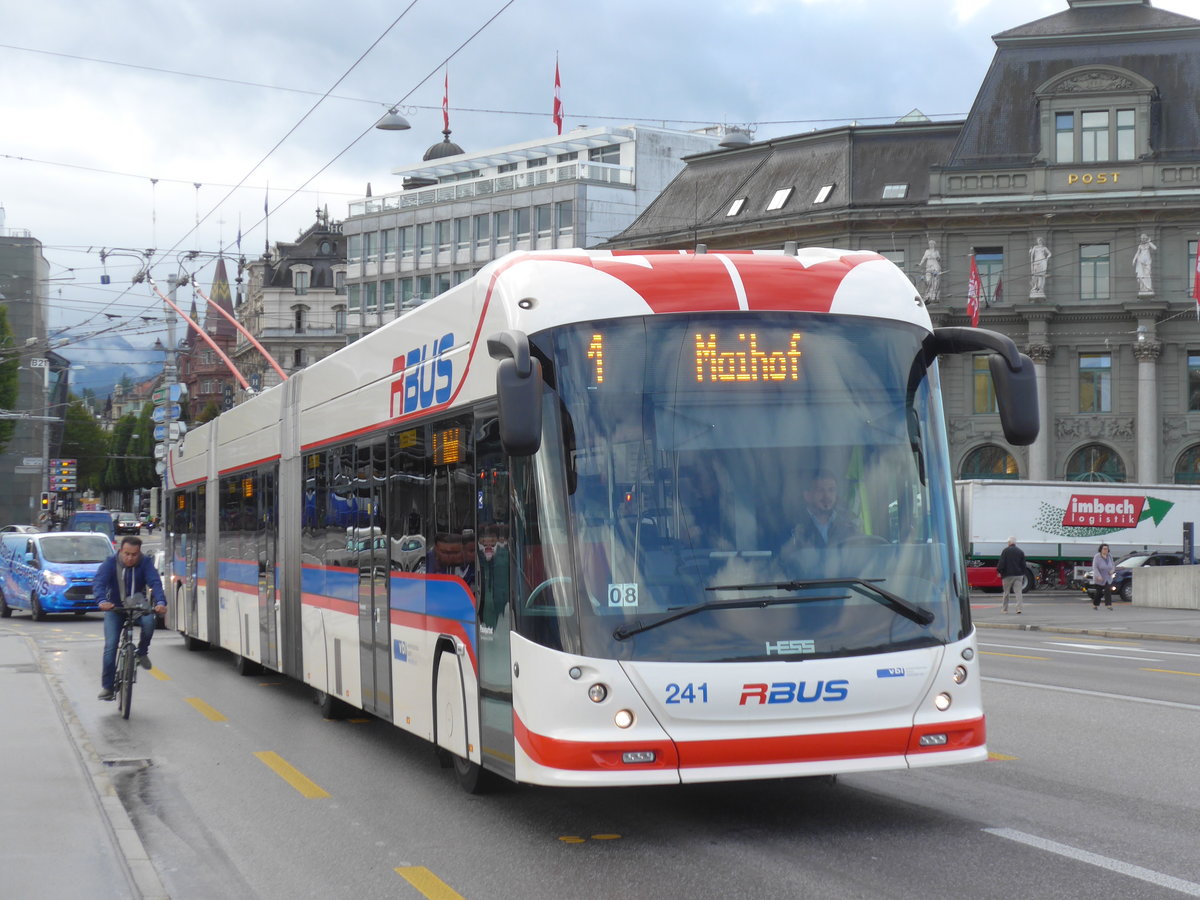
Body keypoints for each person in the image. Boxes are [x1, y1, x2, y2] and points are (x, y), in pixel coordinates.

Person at [95, 536, 167, 700]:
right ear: (120, 551)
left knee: (149, 622)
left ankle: (142, 652)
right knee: (111, 646)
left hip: (138, 607)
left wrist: (161, 602)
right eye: (126, 553)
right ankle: (107, 687)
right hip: (115, 608)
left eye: (134, 555)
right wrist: (102, 601)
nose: (130, 558)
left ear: (139, 553)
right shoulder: (110, 563)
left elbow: (155, 583)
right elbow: (99, 583)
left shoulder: (145, 563)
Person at [788, 471, 861, 548]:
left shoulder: (848, 525)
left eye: (831, 490)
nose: (827, 495)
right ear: (807, 496)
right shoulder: (792, 525)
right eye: (820, 490)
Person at [997, 536, 1027, 614]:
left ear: (1009, 543)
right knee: (1018, 592)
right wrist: (1022, 573)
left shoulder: (1005, 551)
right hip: (1018, 575)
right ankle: (1019, 609)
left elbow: (1002, 563)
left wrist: (999, 571)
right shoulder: (1020, 551)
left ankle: (1005, 609)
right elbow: (1023, 564)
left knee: (1006, 592)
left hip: (1007, 575)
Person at [1090, 543, 1116, 610]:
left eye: (1107, 549)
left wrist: (1112, 571)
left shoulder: (1110, 556)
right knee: (1099, 592)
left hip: (1108, 577)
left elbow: (1113, 565)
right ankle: (1095, 604)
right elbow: (1095, 567)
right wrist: (1098, 576)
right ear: (1101, 549)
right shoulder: (1097, 557)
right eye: (1104, 549)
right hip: (1099, 578)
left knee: (1108, 590)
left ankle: (1108, 605)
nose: (1105, 550)